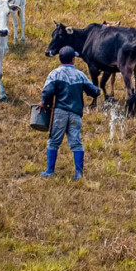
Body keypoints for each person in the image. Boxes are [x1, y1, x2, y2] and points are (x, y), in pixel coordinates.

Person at [39, 46, 100, 179]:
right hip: (75, 114)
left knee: (54, 142)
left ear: (60, 59)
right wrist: (96, 90)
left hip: (60, 113)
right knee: (76, 143)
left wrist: (43, 102)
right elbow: (94, 91)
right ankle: (78, 173)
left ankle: (50, 171)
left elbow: (47, 91)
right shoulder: (80, 75)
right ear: (73, 60)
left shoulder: (54, 74)